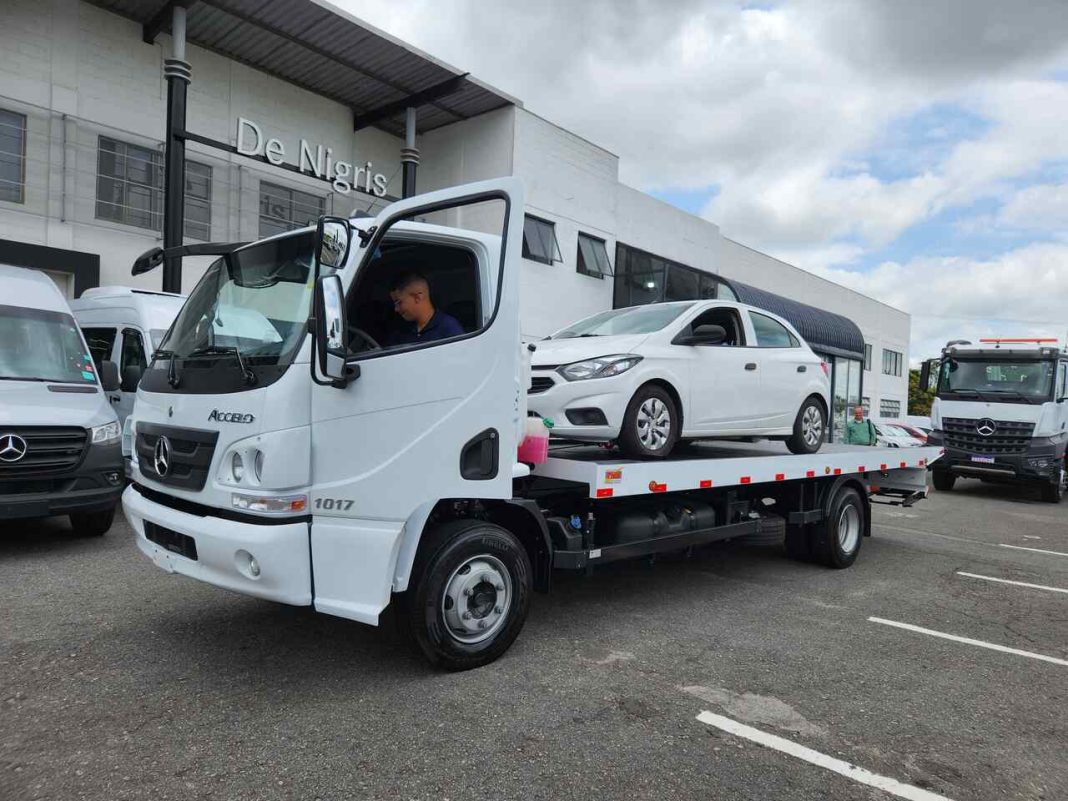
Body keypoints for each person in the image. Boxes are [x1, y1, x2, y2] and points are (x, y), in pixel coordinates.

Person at [386, 271, 464, 346]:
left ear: (417, 297)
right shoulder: (401, 332)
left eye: (399, 302)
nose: (396, 309)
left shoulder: (448, 328)